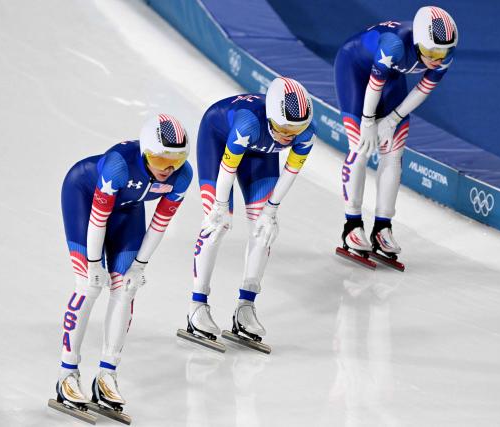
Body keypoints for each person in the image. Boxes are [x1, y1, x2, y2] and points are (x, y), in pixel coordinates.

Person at [55, 114, 192, 412]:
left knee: (126, 288)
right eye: (159, 159)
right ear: (145, 152)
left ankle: (107, 375)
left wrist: (140, 265)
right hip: (83, 196)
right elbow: (98, 218)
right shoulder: (118, 164)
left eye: (176, 161)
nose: (168, 169)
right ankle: (67, 375)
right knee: (88, 286)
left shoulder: (183, 175)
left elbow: (160, 223)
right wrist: (93, 264)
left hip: (128, 210)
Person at [187, 77, 315, 346]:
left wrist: (272, 211)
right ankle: (197, 306)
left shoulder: (305, 132)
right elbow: (227, 169)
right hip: (220, 142)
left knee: (263, 230)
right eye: (282, 128)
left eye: (296, 130)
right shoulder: (247, 122)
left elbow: (291, 172)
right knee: (216, 225)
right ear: (271, 117)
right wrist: (220, 206)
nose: (288, 136)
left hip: (260, 153)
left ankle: (246, 305)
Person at [334, 6, 458, 260]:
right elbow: (373, 84)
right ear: (418, 42)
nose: (437, 59)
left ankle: (383, 227)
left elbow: (423, 89)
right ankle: (352, 225)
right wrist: (369, 122)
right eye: (432, 52)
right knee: (360, 147)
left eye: (443, 52)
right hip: (354, 70)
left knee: (394, 151)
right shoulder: (394, 45)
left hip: (390, 76)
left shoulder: (443, 52)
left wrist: (393, 119)